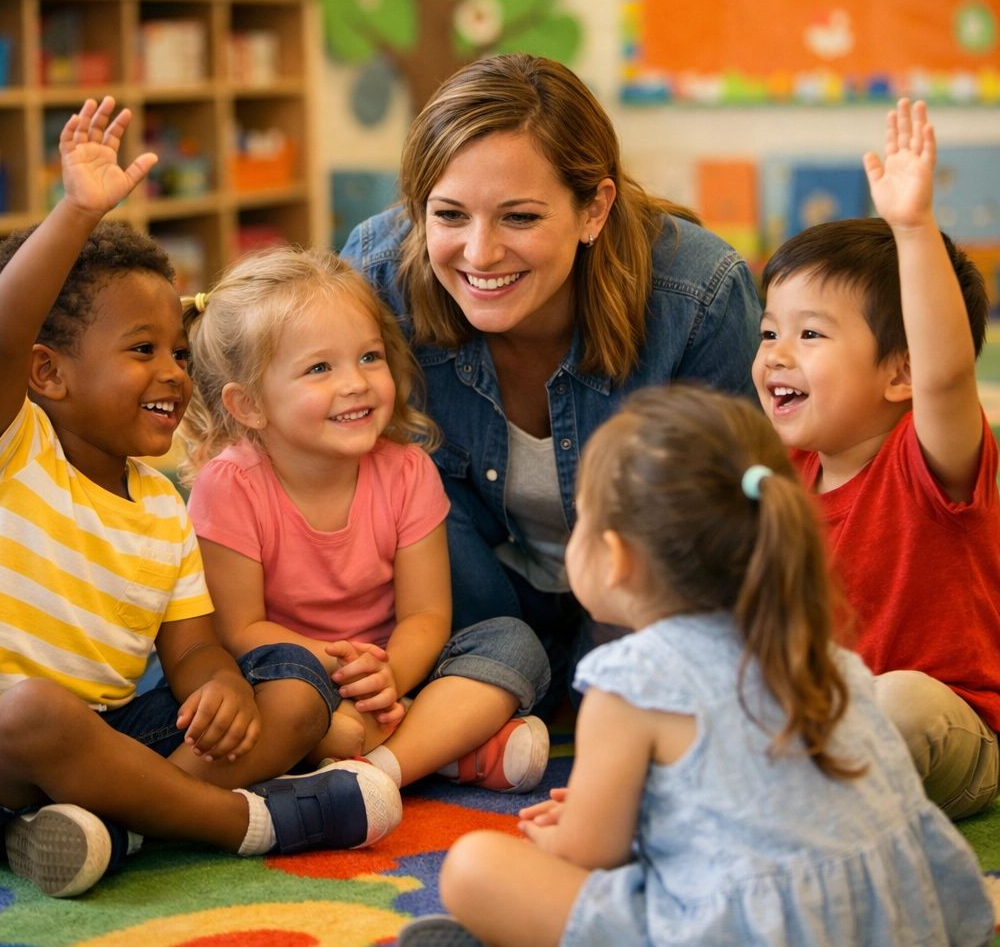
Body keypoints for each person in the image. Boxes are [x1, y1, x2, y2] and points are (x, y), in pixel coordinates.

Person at [0, 98, 402, 900]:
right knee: (34, 714)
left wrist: (220, 688)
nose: (174, 373)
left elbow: (195, 649)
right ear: (48, 374)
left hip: (112, 740)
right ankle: (238, 822)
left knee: (293, 675)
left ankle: (121, 822)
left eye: (178, 350)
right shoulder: (9, 448)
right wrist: (75, 210)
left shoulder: (164, 504)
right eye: (143, 351)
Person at [397, 386, 995, 947]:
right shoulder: (821, 654)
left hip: (741, 928)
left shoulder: (629, 681)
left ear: (617, 558)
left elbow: (590, 853)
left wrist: (571, 829)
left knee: (474, 866)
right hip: (893, 919)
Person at [340, 54, 762, 714]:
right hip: (463, 608)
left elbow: (733, 521)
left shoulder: (698, 296)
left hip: (639, 602)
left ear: (594, 208)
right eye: (449, 215)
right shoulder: (376, 273)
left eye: (520, 218)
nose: (479, 253)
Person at [181, 248, 551, 795]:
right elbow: (241, 630)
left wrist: (390, 676)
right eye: (319, 368)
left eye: (369, 357)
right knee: (277, 711)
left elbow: (426, 614)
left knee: (515, 645)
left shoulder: (408, 471)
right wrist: (343, 673)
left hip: (395, 671)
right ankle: (441, 747)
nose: (355, 382)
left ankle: (377, 771)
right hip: (292, 678)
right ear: (249, 405)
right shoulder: (229, 485)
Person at [753, 99, 1000, 820]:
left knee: (896, 704)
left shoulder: (928, 460)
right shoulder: (781, 478)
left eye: (811, 334)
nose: (777, 355)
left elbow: (946, 373)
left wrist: (914, 228)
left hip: (952, 732)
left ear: (901, 374)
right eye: (770, 332)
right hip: (819, 730)